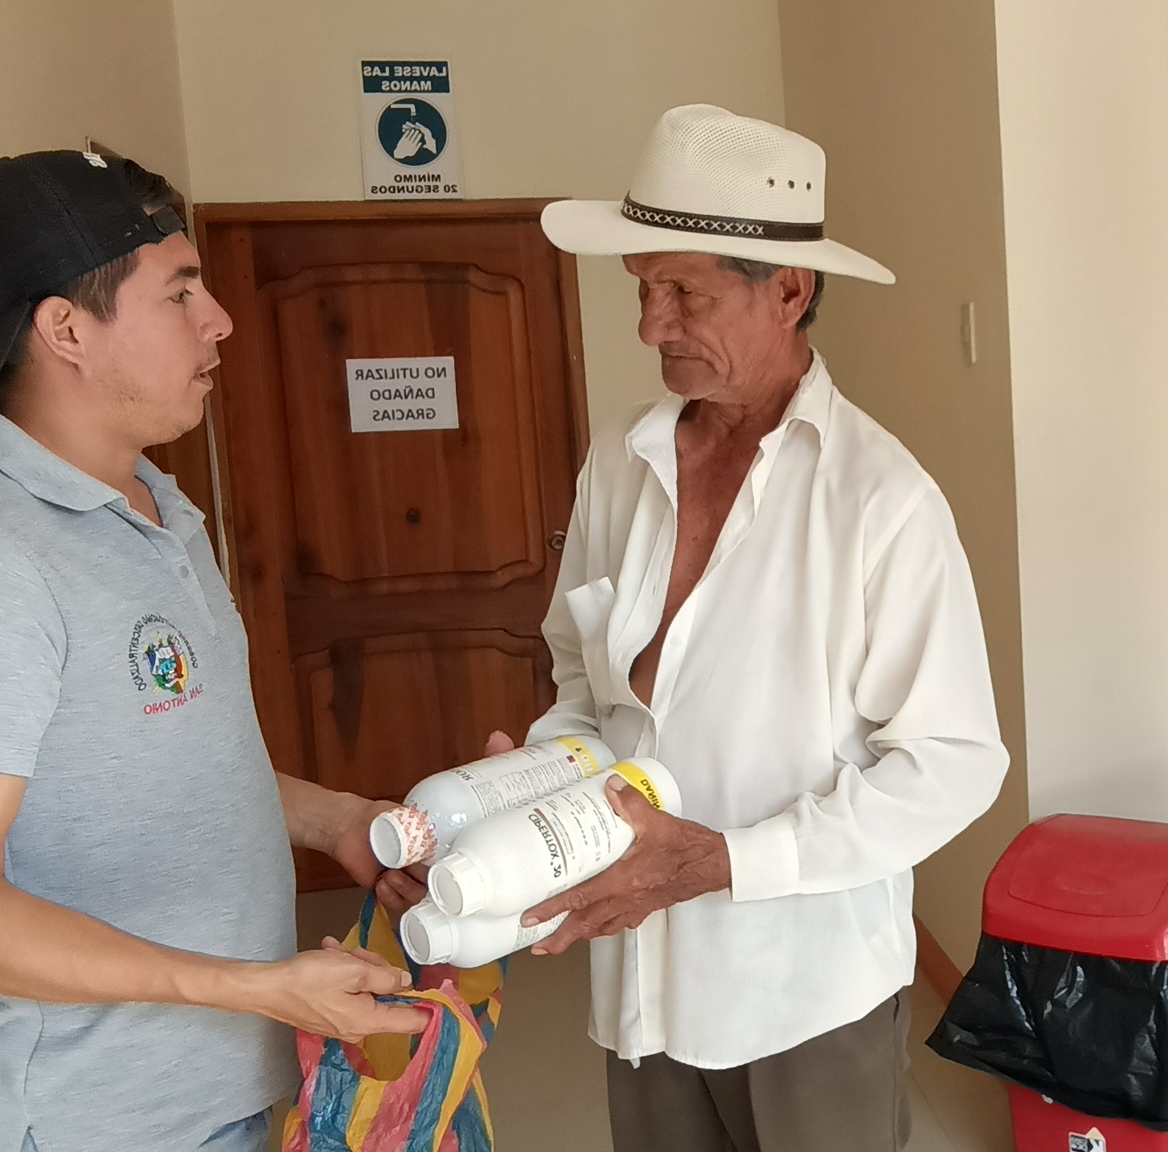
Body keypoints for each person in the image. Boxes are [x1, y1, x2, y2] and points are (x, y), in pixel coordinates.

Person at [381, 104, 1008, 1152]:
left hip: (804, 986)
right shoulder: (621, 462)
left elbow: (951, 763)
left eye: (685, 294)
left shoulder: (880, 500)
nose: (650, 325)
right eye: (642, 288)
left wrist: (723, 863)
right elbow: (583, 683)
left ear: (789, 291)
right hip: (641, 974)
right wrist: (529, 784)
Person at [0, 151, 425, 1152]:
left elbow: (147, 766)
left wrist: (336, 819)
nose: (221, 321)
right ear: (66, 330)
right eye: (180, 293)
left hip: (210, 1098)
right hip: (80, 1123)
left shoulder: (156, 506)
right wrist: (254, 988)